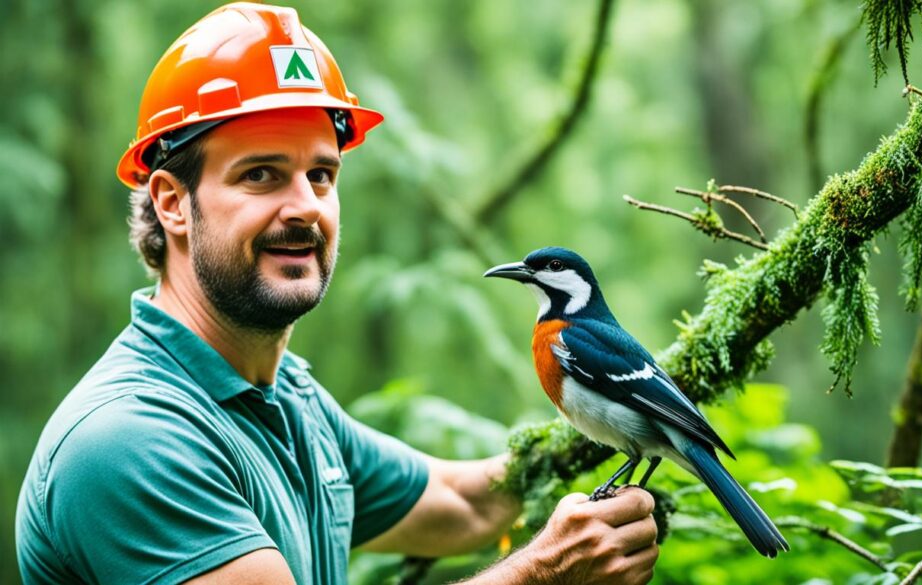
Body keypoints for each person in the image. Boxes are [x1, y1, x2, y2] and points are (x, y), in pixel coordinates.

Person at [15, 3, 659, 584]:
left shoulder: (287, 402)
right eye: (261, 174)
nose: (304, 207)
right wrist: (546, 570)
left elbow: (465, 503)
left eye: (321, 174)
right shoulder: (130, 439)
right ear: (172, 203)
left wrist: (648, 402)